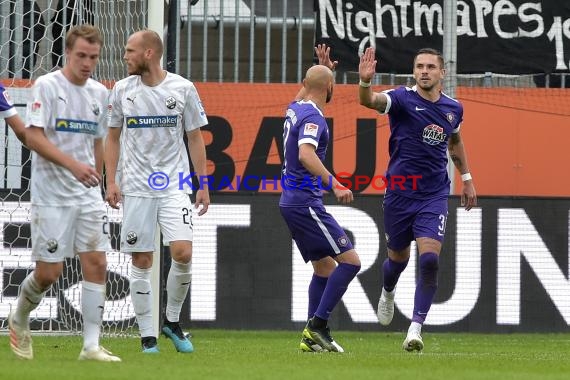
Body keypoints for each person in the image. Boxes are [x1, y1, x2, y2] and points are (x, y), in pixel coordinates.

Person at [8, 24, 121, 362]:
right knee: (49, 274)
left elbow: (98, 140)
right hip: (51, 193)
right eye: (81, 56)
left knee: (97, 261)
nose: (87, 63)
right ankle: (20, 317)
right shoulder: (47, 85)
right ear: (68, 53)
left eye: (93, 57)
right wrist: (73, 165)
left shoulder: (100, 93)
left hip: (86, 195)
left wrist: (99, 182)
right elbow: (33, 137)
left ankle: (90, 346)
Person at [358, 46, 477, 352]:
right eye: (419, 66)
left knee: (429, 259)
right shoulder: (400, 99)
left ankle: (415, 329)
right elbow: (369, 100)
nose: (424, 71)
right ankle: (387, 291)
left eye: (430, 67)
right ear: (414, 71)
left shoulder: (454, 109)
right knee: (398, 259)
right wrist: (364, 83)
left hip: (434, 193)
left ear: (442, 73)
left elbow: (455, 142)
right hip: (399, 191)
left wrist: (466, 179)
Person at [105, 29, 210, 354]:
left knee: (183, 252)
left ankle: (172, 322)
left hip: (174, 184)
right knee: (142, 258)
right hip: (135, 186)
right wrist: (111, 180)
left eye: (130, 50)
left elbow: (194, 137)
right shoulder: (122, 90)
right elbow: (111, 137)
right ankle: (147, 336)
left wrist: (202, 184)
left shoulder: (182, 88)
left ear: (149, 53)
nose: (125, 56)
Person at [279, 45, 361, 353]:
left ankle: (309, 339)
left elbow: (310, 84)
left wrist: (323, 68)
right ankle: (318, 326)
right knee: (350, 262)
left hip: (291, 201)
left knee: (324, 269)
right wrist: (336, 183)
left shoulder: (295, 107)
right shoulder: (314, 118)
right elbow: (306, 153)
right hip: (305, 202)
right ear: (329, 87)